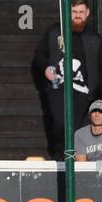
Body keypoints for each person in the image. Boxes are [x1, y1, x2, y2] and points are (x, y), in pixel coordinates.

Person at [33, 0, 102, 161]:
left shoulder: (94, 39)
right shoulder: (55, 32)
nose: (77, 16)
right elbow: (40, 55)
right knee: (60, 126)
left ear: (87, 14)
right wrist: (47, 69)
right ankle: (60, 161)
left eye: (80, 12)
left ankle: (75, 165)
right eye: (74, 12)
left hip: (85, 94)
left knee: (78, 131)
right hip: (59, 90)